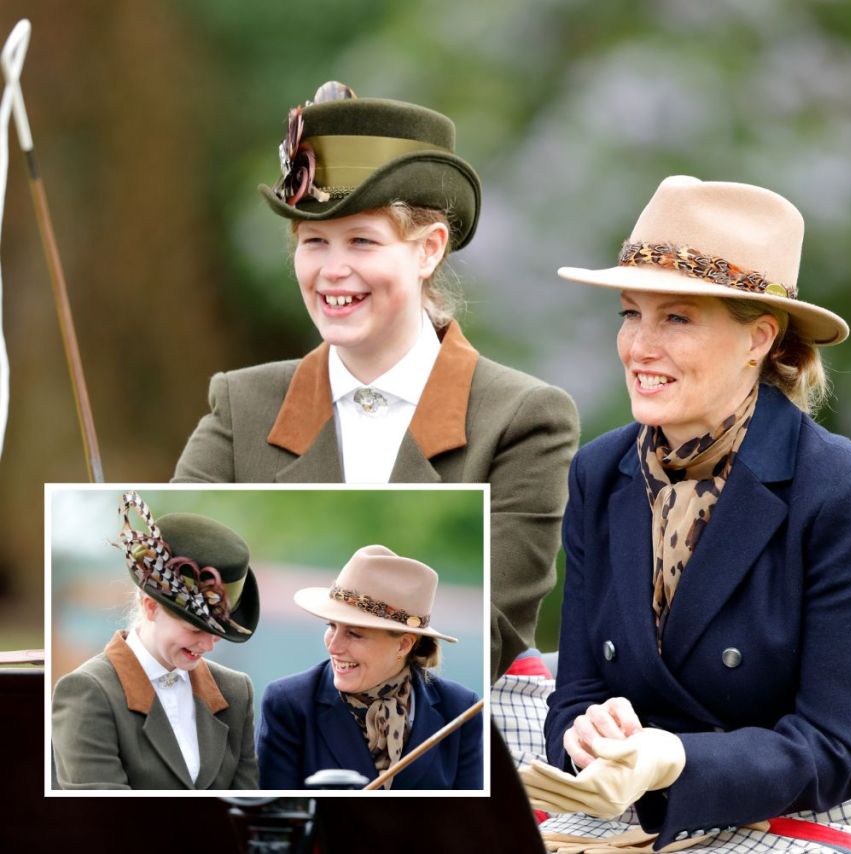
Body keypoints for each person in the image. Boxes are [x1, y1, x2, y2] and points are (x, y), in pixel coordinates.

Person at [531, 177, 851, 851]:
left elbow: (833, 751)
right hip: (653, 799)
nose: (639, 346)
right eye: (631, 313)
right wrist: (588, 735)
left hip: (839, 800)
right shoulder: (600, 474)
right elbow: (574, 691)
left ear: (759, 339)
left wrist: (678, 759)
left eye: (677, 318)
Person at [172, 82, 578, 682]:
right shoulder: (241, 404)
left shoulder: (524, 419)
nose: (333, 270)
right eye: (314, 242)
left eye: (362, 240)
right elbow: (185, 574)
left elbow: (483, 636)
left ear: (428, 250)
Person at [51, 491, 260, 790]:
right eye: (195, 630)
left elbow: (246, 805)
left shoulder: (236, 692)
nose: (209, 645)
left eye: (216, 633)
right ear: (150, 607)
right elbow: (100, 821)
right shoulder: (89, 692)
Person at [257, 544, 482, 790]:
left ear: (403, 645)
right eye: (331, 626)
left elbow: (472, 820)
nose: (334, 646)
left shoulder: (461, 709)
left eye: (354, 634)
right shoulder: (288, 704)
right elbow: (277, 817)